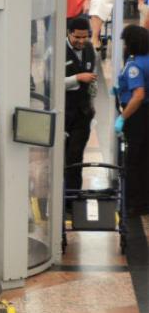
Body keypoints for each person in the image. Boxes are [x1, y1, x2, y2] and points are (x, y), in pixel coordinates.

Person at [117, 25, 149, 217]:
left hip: (137, 115)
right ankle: (145, 201)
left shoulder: (134, 66)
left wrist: (122, 117)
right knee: (146, 158)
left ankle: (132, 204)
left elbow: (138, 95)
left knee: (133, 160)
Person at [64, 17, 98, 193]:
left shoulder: (90, 49)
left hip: (83, 114)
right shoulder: (56, 51)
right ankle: (60, 197)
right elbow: (50, 84)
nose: (81, 41)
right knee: (62, 158)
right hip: (63, 113)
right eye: (77, 37)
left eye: (85, 37)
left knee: (75, 157)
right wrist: (76, 78)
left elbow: (93, 77)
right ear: (69, 33)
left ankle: (72, 198)